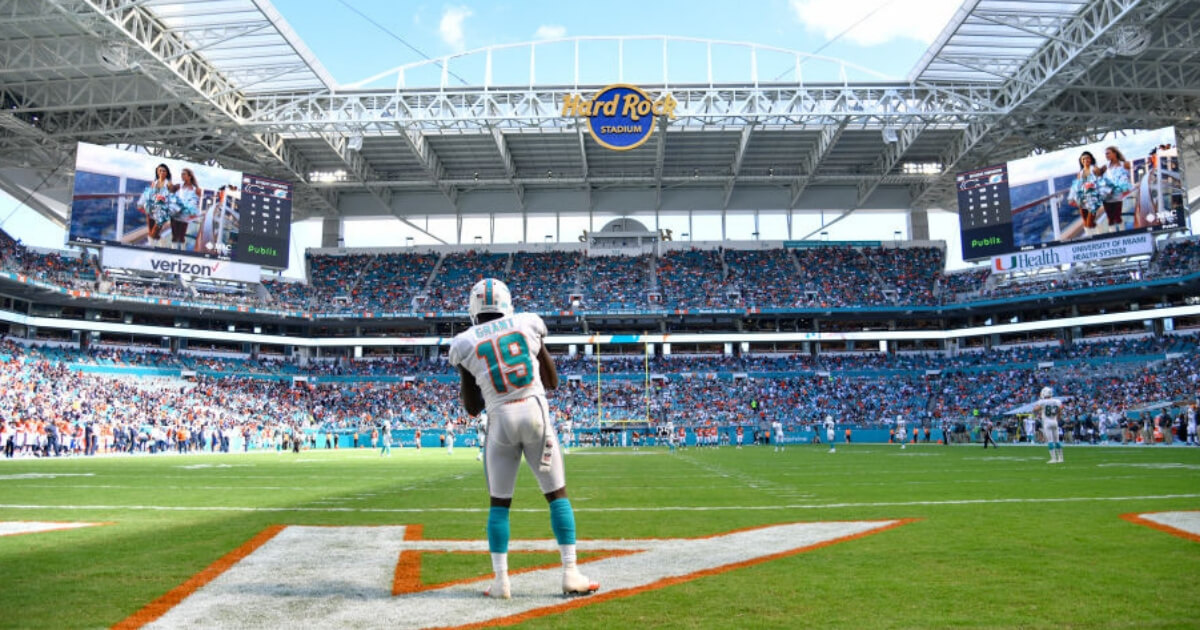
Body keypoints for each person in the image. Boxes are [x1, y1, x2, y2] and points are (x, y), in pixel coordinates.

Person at [447, 278, 598, 599]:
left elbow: (473, 408)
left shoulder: (465, 341)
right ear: (507, 303)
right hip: (535, 413)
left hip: (500, 420)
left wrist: (468, 370)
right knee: (557, 495)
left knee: (499, 505)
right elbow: (552, 380)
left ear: (474, 309)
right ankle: (570, 572)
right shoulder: (527, 323)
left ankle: (502, 582)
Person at [1068, 151, 1106, 238]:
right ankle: (1100, 233)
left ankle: (1090, 240)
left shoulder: (1095, 169)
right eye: (1083, 159)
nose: (1085, 160)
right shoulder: (1080, 173)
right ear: (1081, 161)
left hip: (1093, 199)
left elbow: (1102, 181)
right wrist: (1071, 198)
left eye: (1087, 158)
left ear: (1091, 159)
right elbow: (1075, 186)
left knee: (1089, 222)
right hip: (1082, 199)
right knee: (1086, 222)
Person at [137, 163, 176, 247]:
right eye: (160, 170)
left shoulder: (169, 184)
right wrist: (140, 203)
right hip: (151, 209)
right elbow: (147, 194)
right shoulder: (154, 183)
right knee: (152, 231)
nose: (162, 172)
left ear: (167, 173)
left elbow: (172, 198)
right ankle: (161, 242)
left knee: (153, 233)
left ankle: (150, 249)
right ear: (157, 172)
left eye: (164, 171)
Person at [1097, 146, 1132, 232]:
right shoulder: (1105, 166)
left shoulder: (1124, 164)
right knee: (1110, 218)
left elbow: (1127, 178)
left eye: (1108, 153)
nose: (1106, 155)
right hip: (1106, 194)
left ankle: (1122, 233)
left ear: (1114, 153)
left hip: (1117, 194)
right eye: (1105, 154)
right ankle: (1112, 235)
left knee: (1117, 216)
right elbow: (1099, 178)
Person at [1033, 387, 1065, 464]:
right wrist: (1059, 415)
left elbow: (1035, 409)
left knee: (1050, 441)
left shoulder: (1042, 402)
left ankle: (1053, 459)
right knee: (1057, 441)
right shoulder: (1057, 401)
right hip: (1054, 421)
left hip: (1047, 422)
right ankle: (1061, 458)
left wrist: (1039, 408)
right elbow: (1061, 408)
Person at [172, 168, 202, 250]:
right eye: (182, 174)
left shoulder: (196, 189)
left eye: (184, 174)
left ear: (190, 176)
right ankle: (171, 252)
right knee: (174, 236)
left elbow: (196, 203)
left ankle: (182, 251)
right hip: (175, 213)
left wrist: (193, 214)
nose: (182, 176)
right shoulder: (178, 186)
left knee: (181, 236)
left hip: (185, 215)